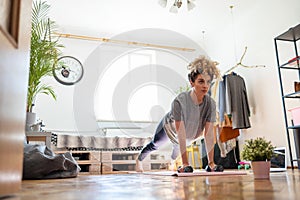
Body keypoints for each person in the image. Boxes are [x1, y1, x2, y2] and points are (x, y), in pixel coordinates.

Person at [136, 55, 223, 173]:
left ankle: (171, 162)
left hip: (189, 135)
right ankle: (139, 159)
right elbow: (180, 133)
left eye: (208, 82)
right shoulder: (180, 101)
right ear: (192, 82)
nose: (205, 86)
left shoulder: (210, 104)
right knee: (155, 144)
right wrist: (185, 163)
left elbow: (208, 134)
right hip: (169, 129)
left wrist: (211, 163)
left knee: (176, 151)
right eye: (201, 81)